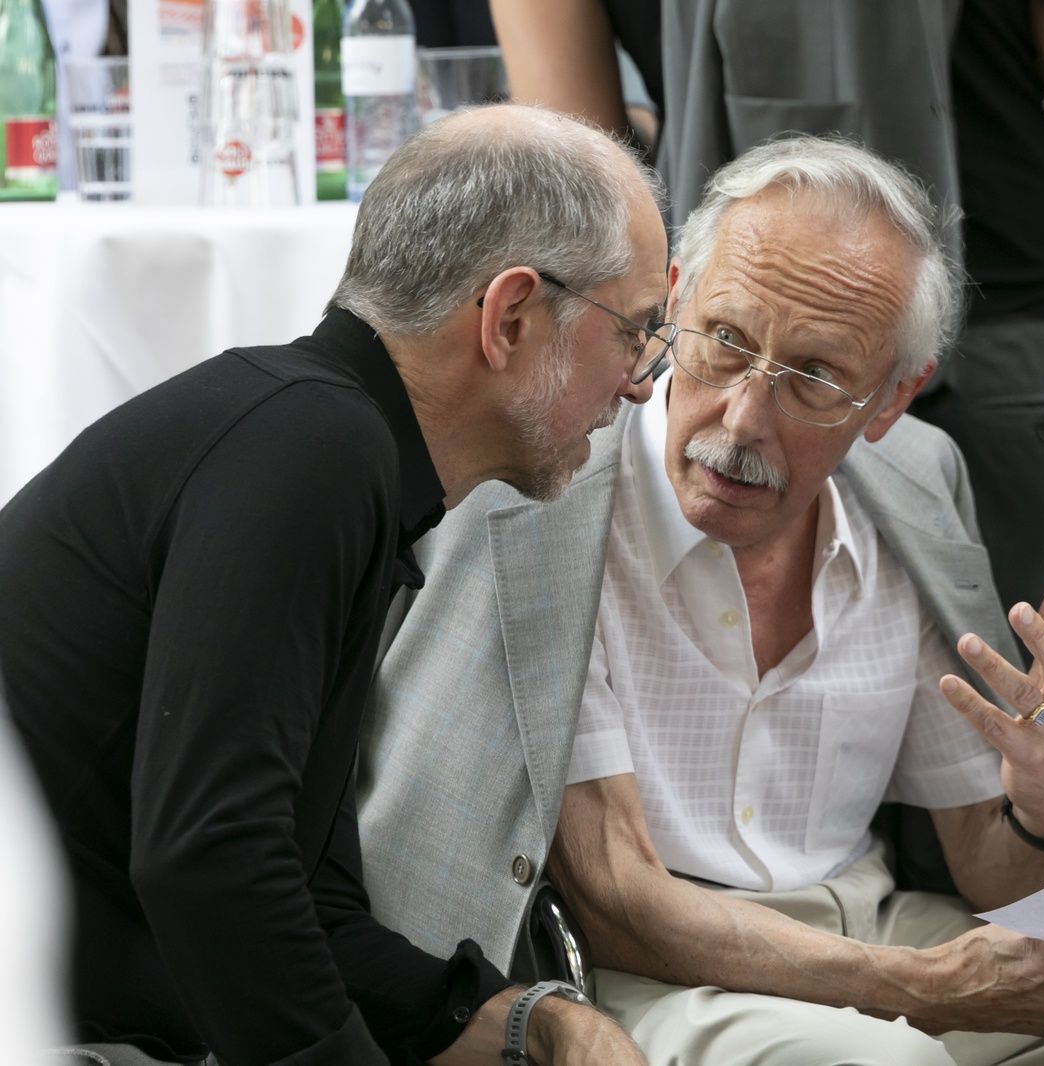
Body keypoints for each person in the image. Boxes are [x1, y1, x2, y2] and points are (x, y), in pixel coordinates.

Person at [360, 137, 1044, 1066]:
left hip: (877, 926)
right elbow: (616, 896)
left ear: (893, 397)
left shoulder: (917, 479)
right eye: (725, 343)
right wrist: (921, 993)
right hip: (651, 972)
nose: (743, 420)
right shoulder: (550, 495)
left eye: (816, 377)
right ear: (673, 302)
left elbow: (987, 865)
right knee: (889, 1062)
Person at [0, 105, 662, 1066]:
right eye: (635, 331)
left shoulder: (318, 438)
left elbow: (307, 900)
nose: (642, 382)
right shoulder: (317, 452)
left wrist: (534, 1021)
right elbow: (210, 862)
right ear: (511, 317)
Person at [485, 0, 1044, 828]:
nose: (752, 417)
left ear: (898, 397)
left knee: (1018, 774)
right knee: (1016, 782)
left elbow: (584, 169)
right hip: (999, 315)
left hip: (743, 298)